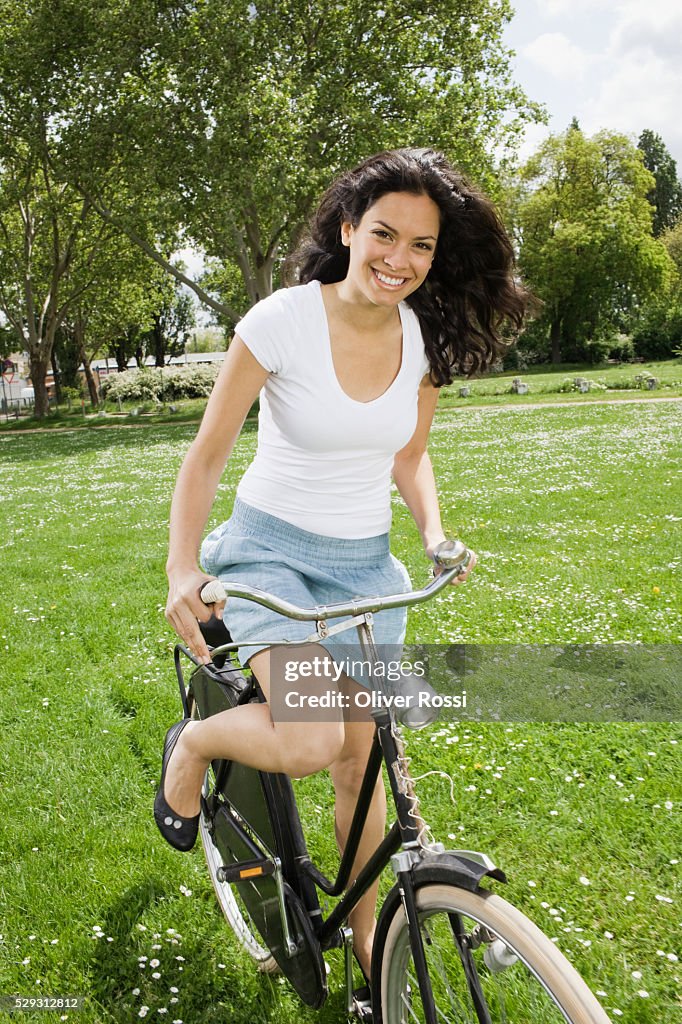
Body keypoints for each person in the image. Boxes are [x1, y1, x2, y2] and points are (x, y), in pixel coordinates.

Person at [156, 147, 528, 988]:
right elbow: (208, 454)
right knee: (314, 735)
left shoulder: (420, 333)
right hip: (272, 554)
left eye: (422, 247)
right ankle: (196, 744)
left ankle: (369, 941)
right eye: (385, 235)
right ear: (349, 229)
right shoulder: (282, 320)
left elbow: (412, 455)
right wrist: (184, 565)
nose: (400, 260)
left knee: (361, 771)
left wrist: (433, 532)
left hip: (366, 568)